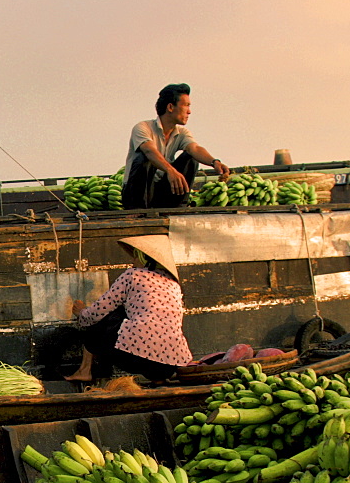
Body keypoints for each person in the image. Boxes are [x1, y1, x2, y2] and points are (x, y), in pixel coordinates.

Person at [67, 235, 192, 383]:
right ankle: (158, 380)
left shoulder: (133, 275)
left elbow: (100, 309)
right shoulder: (174, 284)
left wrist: (82, 313)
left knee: (106, 317)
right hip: (173, 362)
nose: (132, 261)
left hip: (134, 355)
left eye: (135, 257)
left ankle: (84, 370)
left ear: (145, 259)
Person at [121, 84, 231, 210]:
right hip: (137, 194)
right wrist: (170, 170)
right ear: (170, 107)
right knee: (145, 158)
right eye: (186, 105)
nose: (189, 111)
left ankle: (179, 206)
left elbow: (195, 149)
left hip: (161, 192)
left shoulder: (182, 133)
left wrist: (214, 162)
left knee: (191, 158)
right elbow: (149, 150)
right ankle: (138, 210)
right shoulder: (143, 128)